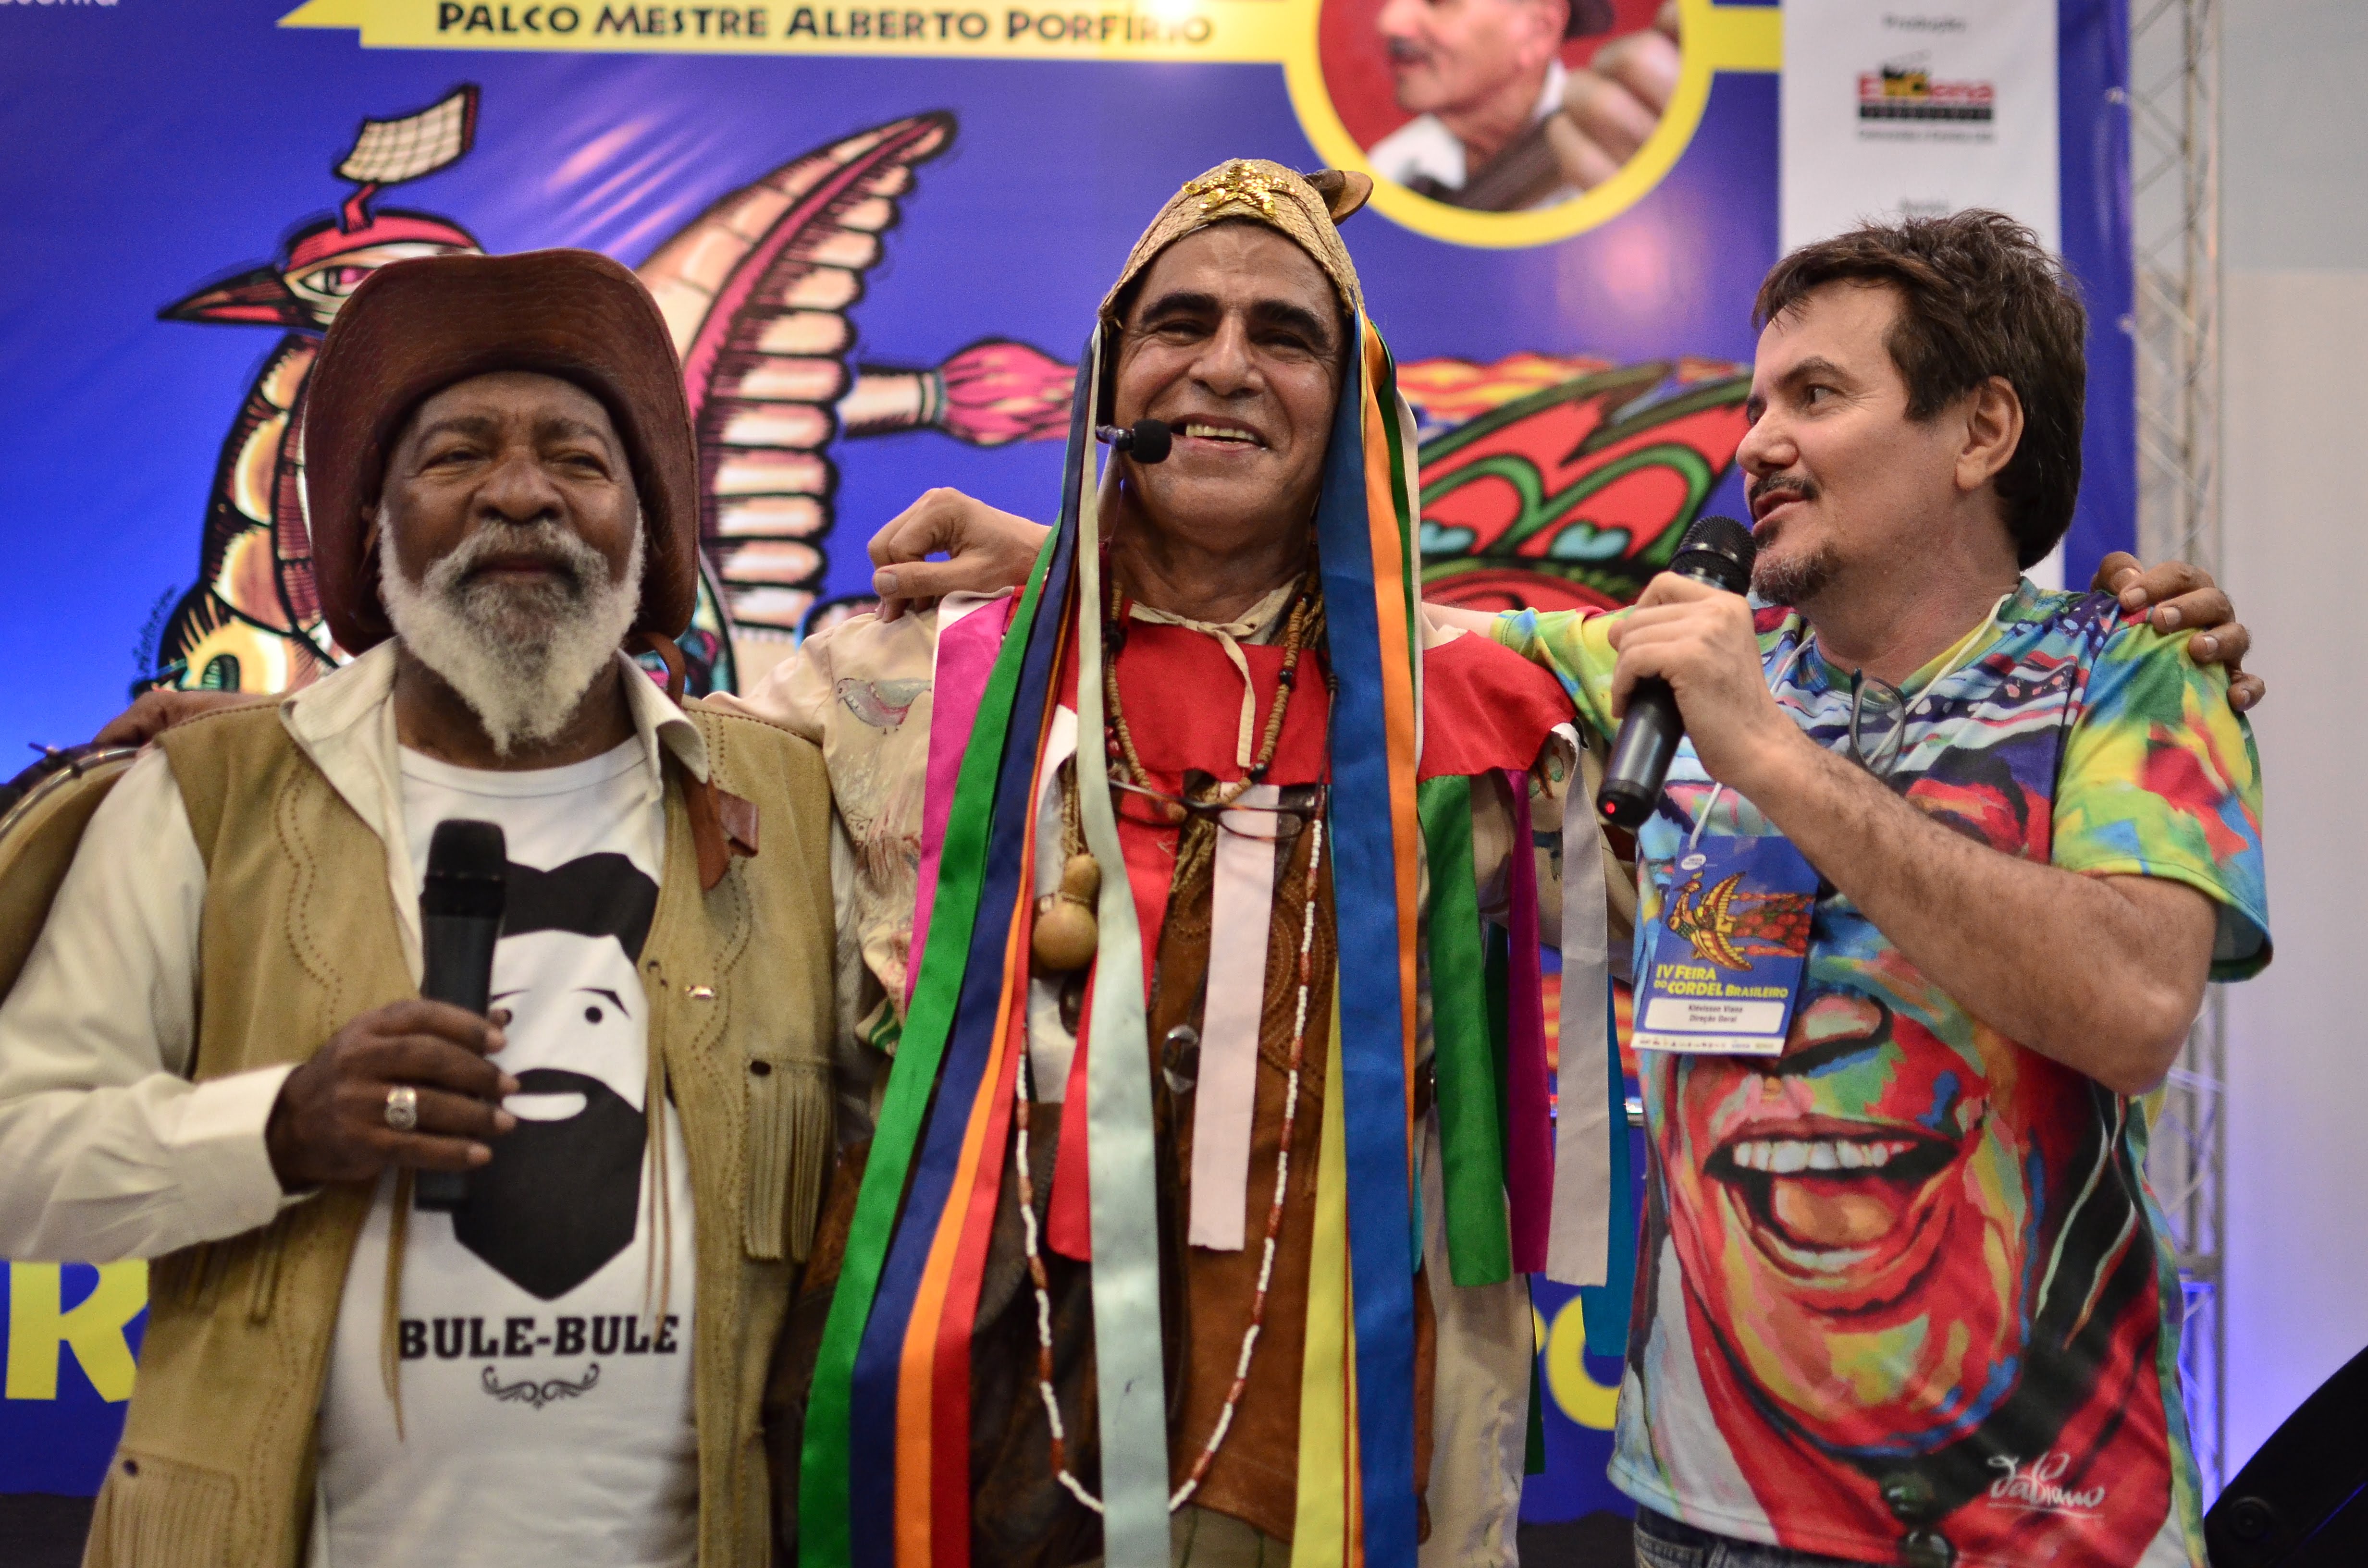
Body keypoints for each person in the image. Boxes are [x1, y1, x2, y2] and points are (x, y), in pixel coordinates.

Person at [724, 159, 1598, 1567]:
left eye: (1286, 335)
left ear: (1353, 406)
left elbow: (1737, 821)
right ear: (1108, 380)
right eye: (1179, 323)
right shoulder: (901, 678)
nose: (1226, 364)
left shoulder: (1455, 722)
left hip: (1310, 1449)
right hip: (959, 1426)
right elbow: (629, 780)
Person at [0, 249, 838, 1568]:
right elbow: (16, 1155)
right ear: (370, 523)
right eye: (457, 454)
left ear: (649, 525)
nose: (521, 493)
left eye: (578, 458)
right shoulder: (205, 803)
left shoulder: (788, 810)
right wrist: (278, 1127)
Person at [1479, 211, 2268, 1568]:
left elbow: (2136, 1005)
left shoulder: (2131, 669)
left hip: (2041, 1529)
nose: (1756, 442)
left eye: (1816, 396)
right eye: (1756, 404)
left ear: (1981, 432)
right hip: (1696, 1518)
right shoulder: (1683, 661)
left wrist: (1773, 758)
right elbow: (1382, 639)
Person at [1369, 0, 1683, 212]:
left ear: (1538, 31)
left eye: (1438, 1)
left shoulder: (1629, 158)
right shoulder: (1389, 166)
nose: (1389, 22)